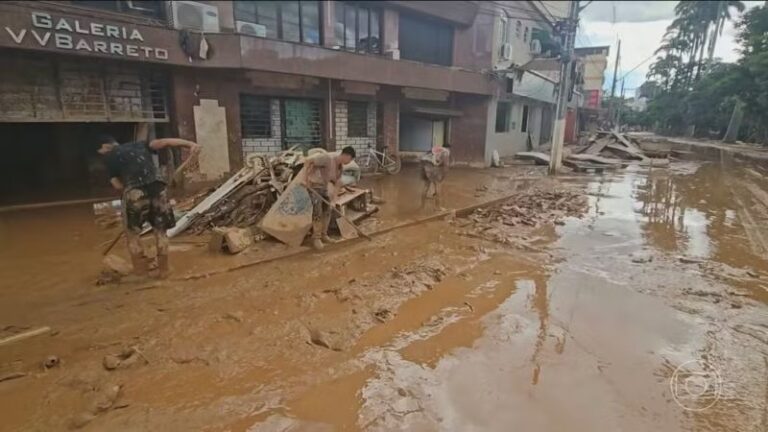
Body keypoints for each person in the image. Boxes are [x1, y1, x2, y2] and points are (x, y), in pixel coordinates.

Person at [97, 135, 200, 278]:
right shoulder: (140, 144)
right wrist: (190, 144)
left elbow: (117, 185)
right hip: (158, 188)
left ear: (105, 146)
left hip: (134, 192)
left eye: (100, 151)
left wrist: (128, 191)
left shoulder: (109, 157)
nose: (101, 154)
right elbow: (165, 142)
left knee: (133, 235)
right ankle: (164, 271)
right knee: (160, 231)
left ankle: (140, 273)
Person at [303, 146, 356, 250]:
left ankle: (324, 234)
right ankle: (316, 238)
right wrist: (305, 179)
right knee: (317, 211)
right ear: (346, 156)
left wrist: (333, 201)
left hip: (325, 188)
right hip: (314, 186)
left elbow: (338, 185)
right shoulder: (327, 158)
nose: (349, 162)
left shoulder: (340, 168)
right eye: (350, 160)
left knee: (328, 210)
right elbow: (308, 161)